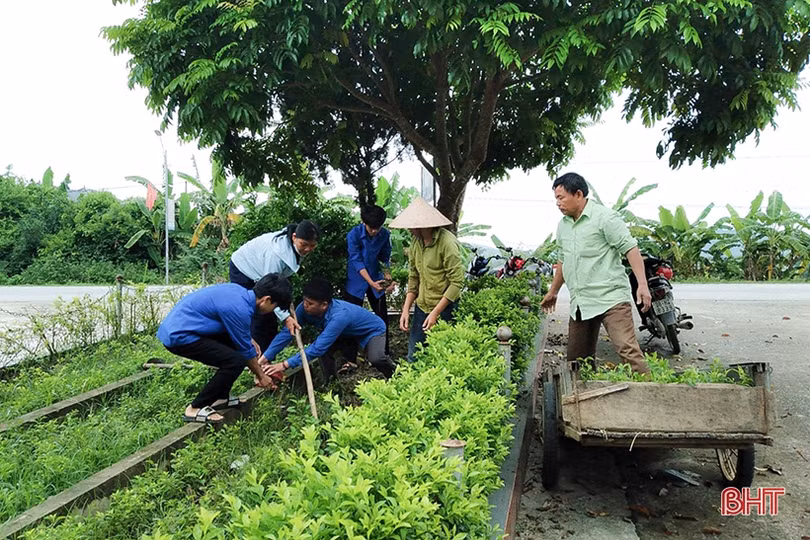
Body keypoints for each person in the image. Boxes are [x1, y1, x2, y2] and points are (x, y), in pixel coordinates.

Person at [541, 172, 651, 374]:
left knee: (628, 351)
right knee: (576, 362)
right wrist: (554, 291)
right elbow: (563, 260)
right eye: (556, 198)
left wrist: (642, 285)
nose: (557, 203)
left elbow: (631, 249)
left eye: (561, 197)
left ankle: (651, 397)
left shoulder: (604, 218)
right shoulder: (563, 226)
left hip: (611, 298)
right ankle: (585, 402)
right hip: (582, 302)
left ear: (579, 194)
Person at [157, 273, 293, 424]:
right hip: (179, 336)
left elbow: (235, 330)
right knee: (235, 361)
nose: (273, 311)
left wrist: (248, 339)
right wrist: (262, 376)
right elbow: (245, 352)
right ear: (266, 299)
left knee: (238, 354)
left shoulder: (238, 292)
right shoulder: (240, 309)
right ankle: (195, 408)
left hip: (188, 327)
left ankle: (221, 398)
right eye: (275, 307)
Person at [260, 278, 396, 380]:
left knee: (377, 358)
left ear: (324, 305)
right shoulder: (303, 308)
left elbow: (319, 346)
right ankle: (331, 383)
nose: (305, 306)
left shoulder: (339, 316)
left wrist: (284, 365)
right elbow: (288, 332)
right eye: (305, 301)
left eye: (310, 304)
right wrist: (266, 356)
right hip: (345, 333)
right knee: (323, 351)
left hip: (372, 330)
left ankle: (397, 377)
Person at [389, 197, 464, 362]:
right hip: (422, 307)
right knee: (414, 357)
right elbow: (413, 277)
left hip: (445, 308)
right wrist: (405, 309)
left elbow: (457, 283)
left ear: (424, 225)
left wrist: (436, 313)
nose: (409, 229)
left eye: (412, 225)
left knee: (444, 357)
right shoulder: (416, 241)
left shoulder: (447, 243)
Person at [229, 220, 319, 351]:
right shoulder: (276, 255)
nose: (307, 249)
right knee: (259, 314)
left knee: (270, 318)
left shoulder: (293, 246)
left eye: (312, 246)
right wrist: (286, 317)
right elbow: (271, 290)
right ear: (294, 237)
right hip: (243, 270)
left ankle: (266, 360)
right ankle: (254, 359)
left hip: (264, 271)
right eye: (304, 244)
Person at [344, 204, 394, 356]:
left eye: (377, 227)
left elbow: (385, 256)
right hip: (356, 281)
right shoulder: (353, 235)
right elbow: (356, 260)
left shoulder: (384, 234)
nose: (374, 231)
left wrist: (387, 274)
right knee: (351, 318)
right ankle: (350, 357)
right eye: (371, 227)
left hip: (375, 278)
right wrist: (371, 282)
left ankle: (383, 352)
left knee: (381, 316)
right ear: (363, 222)